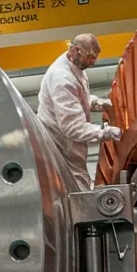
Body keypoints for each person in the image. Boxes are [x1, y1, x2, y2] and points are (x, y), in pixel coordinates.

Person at [37, 33, 122, 187]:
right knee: (75, 187)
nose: (93, 63)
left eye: (95, 58)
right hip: (61, 145)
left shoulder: (75, 66)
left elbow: (74, 100)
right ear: (76, 50)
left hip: (67, 143)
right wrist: (103, 132)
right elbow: (72, 127)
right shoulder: (61, 79)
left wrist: (96, 103)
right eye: (90, 57)